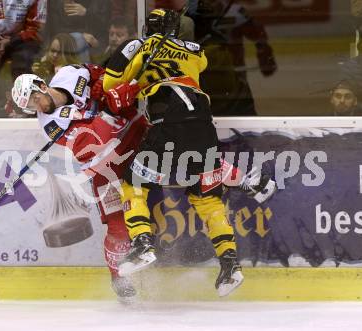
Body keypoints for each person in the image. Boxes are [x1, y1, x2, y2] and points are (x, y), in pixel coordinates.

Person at [102, 8, 276, 297]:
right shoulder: (195, 50)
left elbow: (110, 84)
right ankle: (230, 265)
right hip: (202, 122)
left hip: (168, 120)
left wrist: (130, 60)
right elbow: (201, 63)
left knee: (133, 183)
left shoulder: (141, 49)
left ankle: (143, 244)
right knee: (206, 198)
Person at [11, 63, 149, 302]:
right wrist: (107, 109)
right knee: (118, 225)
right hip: (106, 166)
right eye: (30, 107)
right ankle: (119, 278)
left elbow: (109, 74)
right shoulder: (50, 124)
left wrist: (104, 84)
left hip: (139, 138)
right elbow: (91, 143)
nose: (37, 108)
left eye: (35, 100)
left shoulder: (69, 74)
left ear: (42, 86)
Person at [191, 0, 277, 116]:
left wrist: (265, 56)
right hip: (203, 71)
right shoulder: (192, 13)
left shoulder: (236, 12)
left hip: (234, 70)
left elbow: (259, 37)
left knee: (239, 106)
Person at [0, 0, 47, 117]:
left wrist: (11, 41)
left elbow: (35, 27)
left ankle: (29, 108)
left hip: (24, 39)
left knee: (21, 67)